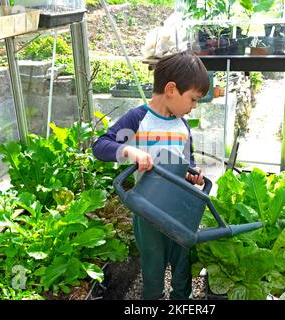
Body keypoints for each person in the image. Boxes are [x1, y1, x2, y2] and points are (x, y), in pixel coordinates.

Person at [92, 51, 210, 300]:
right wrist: (129, 150)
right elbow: (101, 145)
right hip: (148, 212)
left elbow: (187, 160)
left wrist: (194, 173)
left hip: (179, 212)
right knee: (153, 270)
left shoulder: (182, 125)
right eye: (193, 99)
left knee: (181, 270)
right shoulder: (138, 119)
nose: (193, 106)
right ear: (171, 89)